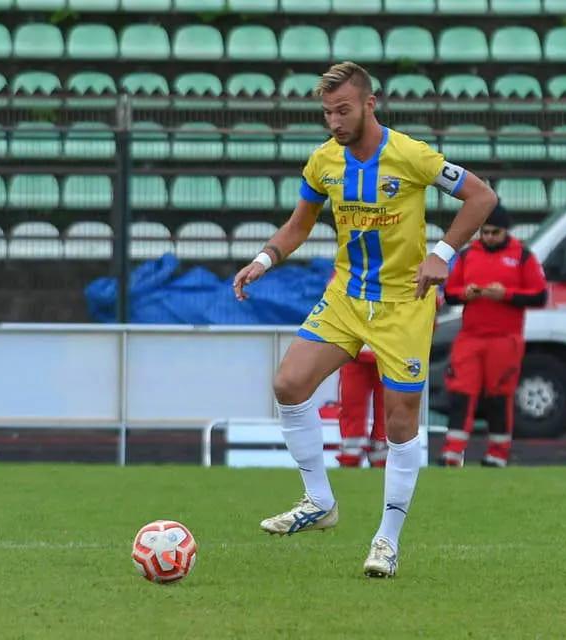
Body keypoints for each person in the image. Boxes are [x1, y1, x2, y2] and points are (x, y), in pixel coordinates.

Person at [232, 61, 497, 578]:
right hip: (347, 297)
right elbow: (297, 226)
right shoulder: (323, 163)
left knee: (399, 420)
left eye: (343, 110)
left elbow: (481, 196)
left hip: (405, 302)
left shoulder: (411, 155)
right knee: (288, 382)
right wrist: (262, 260)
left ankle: (386, 540)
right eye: (327, 112)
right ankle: (319, 501)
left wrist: (443, 252)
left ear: (370, 104)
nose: (334, 120)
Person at [437, 205, 547, 467]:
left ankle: (497, 454)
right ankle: (453, 453)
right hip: (471, 337)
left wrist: (505, 295)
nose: (487, 237)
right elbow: (450, 293)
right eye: (483, 232)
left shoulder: (522, 256)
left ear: (506, 231)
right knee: (461, 391)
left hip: (504, 339)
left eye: (494, 233)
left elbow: (540, 296)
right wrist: (467, 293)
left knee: (498, 395)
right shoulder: (467, 256)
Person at [336, 347, 388, 468]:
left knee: (387, 410)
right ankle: (351, 457)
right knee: (352, 407)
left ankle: (381, 457)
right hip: (355, 351)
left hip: (389, 354)